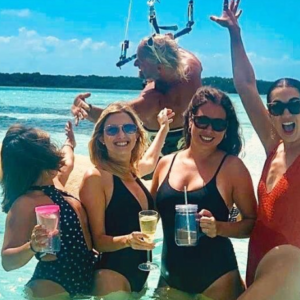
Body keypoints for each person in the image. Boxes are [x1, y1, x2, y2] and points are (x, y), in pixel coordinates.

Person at [210, 0, 300, 298]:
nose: (286, 114)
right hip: (258, 258)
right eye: (277, 107)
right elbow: (246, 85)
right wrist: (235, 34)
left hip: (292, 268)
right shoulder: (274, 145)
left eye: (295, 105)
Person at [150, 86, 257, 300]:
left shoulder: (232, 167)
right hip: (170, 278)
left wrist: (218, 227)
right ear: (190, 119)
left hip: (217, 280)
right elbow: (149, 216)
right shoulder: (165, 164)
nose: (209, 130)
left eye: (218, 125)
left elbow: (252, 223)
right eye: (202, 121)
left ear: (226, 129)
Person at [79, 102, 173, 298]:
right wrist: (128, 240)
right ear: (102, 139)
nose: (121, 135)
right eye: (112, 130)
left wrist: (164, 128)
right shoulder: (96, 177)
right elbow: (98, 241)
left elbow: (150, 160)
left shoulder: (131, 172)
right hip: (111, 275)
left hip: (140, 277)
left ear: (137, 134)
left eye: (128, 128)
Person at [1, 122, 96, 300]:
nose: (56, 152)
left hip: (87, 276)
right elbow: (7, 261)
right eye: (50, 147)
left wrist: (70, 143)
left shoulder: (57, 182)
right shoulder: (25, 203)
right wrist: (32, 246)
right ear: (37, 161)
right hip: (52, 283)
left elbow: (69, 160)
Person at [71, 33, 202, 156]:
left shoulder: (153, 102)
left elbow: (109, 117)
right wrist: (165, 41)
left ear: (159, 67)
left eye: (141, 60)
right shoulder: (193, 65)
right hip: (185, 142)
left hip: (158, 152)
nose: (135, 63)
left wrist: (83, 107)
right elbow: (175, 50)